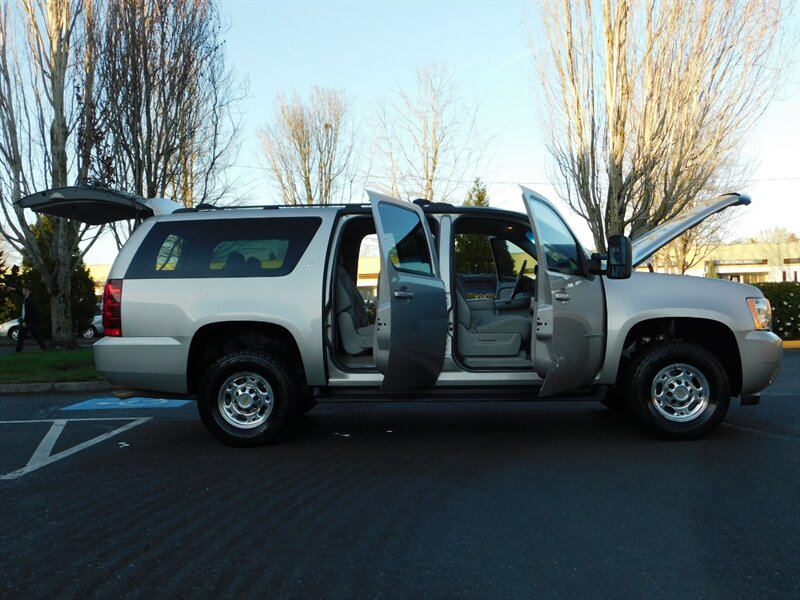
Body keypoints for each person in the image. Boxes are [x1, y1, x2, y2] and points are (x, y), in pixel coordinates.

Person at [8, 285, 47, 352]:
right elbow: (20, 293)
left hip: (29, 321)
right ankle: (44, 348)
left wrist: (25, 321)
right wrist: (13, 289)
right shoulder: (26, 298)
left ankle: (19, 350)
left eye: (23, 290)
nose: (22, 291)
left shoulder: (29, 300)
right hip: (27, 321)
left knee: (32, 335)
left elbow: (29, 312)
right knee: (30, 335)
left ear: (27, 290)